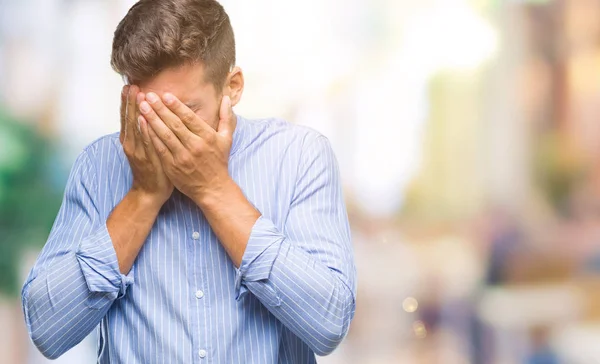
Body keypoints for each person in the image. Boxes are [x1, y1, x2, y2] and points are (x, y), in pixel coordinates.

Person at [21, 0, 356, 362]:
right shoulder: (98, 166)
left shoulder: (300, 157)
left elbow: (329, 324)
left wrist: (214, 190)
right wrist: (143, 197)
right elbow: (47, 331)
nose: (166, 131)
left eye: (184, 111)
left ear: (232, 87)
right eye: (150, 111)